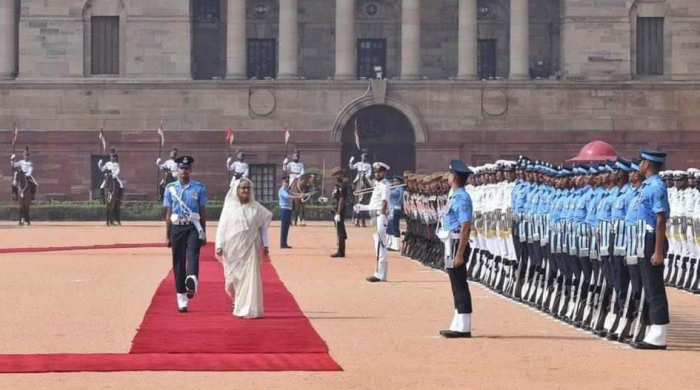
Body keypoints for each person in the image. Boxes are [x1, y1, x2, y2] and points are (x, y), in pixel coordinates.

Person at [215, 178, 272, 319]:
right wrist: (219, 245)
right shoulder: (229, 207)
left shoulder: (257, 208)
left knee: (249, 278)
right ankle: (236, 300)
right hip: (232, 249)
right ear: (237, 190)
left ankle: (247, 308)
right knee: (232, 280)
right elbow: (222, 227)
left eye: (248, 188)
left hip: (251, 246)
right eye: (243, 188)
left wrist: (266, 245)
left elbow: (263, 229)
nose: (246, 190)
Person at [631, 149, 671, 350]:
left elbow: (660, 219)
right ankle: (653, 329)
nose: (640, 164)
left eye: (642, 161)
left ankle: (659, 332)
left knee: (655, 288)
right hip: (644, 238)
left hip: (652, 239)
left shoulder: (656, 186)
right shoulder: (647, 186)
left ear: (648, 164)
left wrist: (658, 251)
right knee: (648, 285)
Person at [163, 156, 208, 313]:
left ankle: (191, 280)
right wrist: (167, 235)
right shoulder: (170, 188)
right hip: (177, 227)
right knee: (178, 262)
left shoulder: (199, 188)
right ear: (178, 170)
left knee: (193, 255)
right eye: (181, 168)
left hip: (193, 227)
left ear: (191, 170)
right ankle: (181, 297)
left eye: (186, 168)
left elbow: (202, 212)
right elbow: (168, 213)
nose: (184, 171)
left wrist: (204, 232)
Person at [354, 162, 392, 282]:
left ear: (384, 173)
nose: (377, 173)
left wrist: (381, 216)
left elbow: (384, 202)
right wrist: (362, 207)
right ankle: (382, 274)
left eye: (379, 172)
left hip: (378, 217)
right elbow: (374, 205)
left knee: (380, 246)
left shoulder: (384, 185)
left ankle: (379, 274)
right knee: (379, 245)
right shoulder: (378, 185)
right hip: (374, 217)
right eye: (375, 172)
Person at [331, 167, 350, 258]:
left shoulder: (343, 185)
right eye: (335, 175)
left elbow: (342, 199)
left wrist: (338, 213)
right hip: (335, 208)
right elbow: (335, 197)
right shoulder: (337, 185)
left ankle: (341, 251)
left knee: (340, 230)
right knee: (339, 230)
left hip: (340, 210)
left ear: (341, 174)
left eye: (337, 174)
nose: (336, 176)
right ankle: (340, 249)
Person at [278, 176, 302, 249]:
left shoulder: (287, 190)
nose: (287, 183)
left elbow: (294, 193)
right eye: (285, 182)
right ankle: (282, 244)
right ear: (282, 183)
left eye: (287, 182)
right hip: (284, 209)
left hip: (288, 209)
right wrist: (298, 197)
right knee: (284, 227)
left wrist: (302, 195)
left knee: (287, 227)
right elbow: (288, 197)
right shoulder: (282, 190)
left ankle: (285, 243)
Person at [387, 176, 405, 251]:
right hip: (392, 209)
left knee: (395, 226)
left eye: (395, 181)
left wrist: (388, 188)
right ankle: (391, 243)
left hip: (395, 209)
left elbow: (390, 195)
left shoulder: (398, 189)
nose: (393, 182)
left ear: (399, 182)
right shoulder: (396, 188)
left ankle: (396, 245)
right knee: (391, 226)